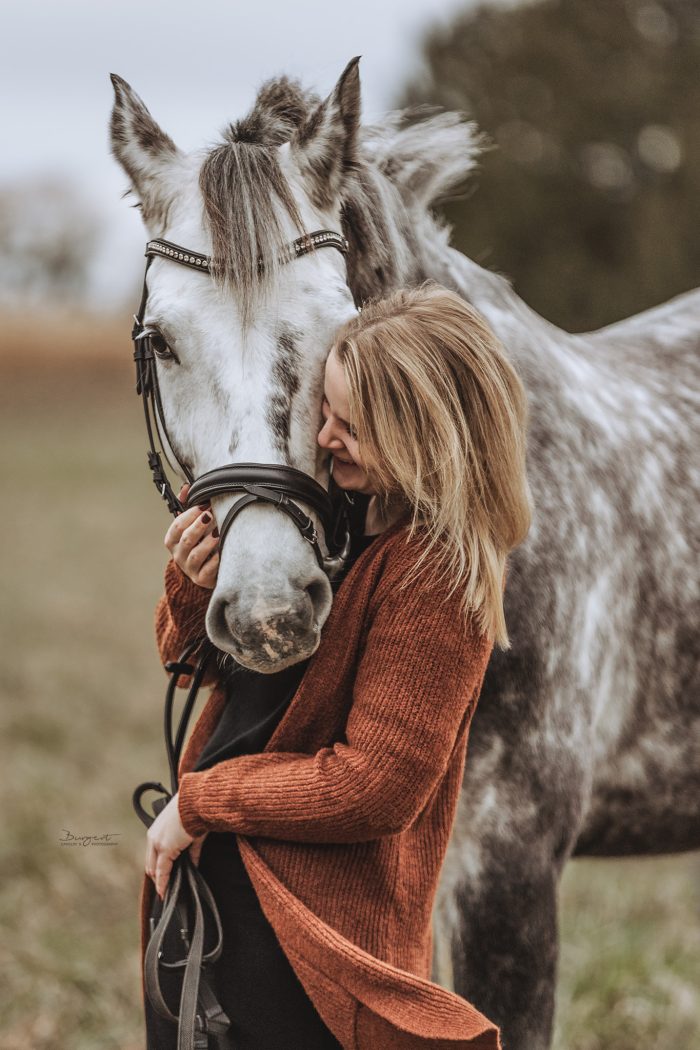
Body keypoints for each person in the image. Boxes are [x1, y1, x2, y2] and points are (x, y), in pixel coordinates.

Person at [140, 282, 532, 1050]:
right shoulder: (338, 525)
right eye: (327, 412)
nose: (322, 438)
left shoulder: (433, 575)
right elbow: (196, 674)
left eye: (351, 425)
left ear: (427, 435)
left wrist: (201, 802)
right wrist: (193, 590)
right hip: (236, 896)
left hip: (311, 938)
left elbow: (374, 786)